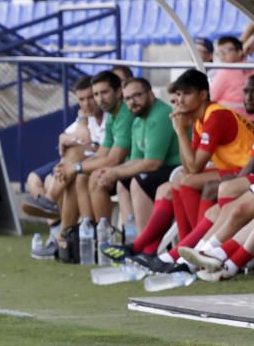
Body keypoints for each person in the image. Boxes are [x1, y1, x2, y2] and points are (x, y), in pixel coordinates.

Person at [104, 69, 254, 271]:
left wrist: (180, 131)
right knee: (175, 183)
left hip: (242, 169)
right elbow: (189, 165)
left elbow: (191, 167)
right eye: (178, 95)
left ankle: (180, 250)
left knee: (189, 183)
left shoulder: (215, 116)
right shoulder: (199, 118)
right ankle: (175, 250)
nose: (180, 100)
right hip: (233, 170)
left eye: (186, 94)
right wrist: (182, 130)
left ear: (202, 95)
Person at [48, 71, 132, 262]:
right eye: (96, 94)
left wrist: (75, 167)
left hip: (138, 168)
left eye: (104, 93)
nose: (99, 99)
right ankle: (86, 233)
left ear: (118, 92)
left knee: (92, 176)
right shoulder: (111, 115)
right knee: (81, 176)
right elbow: (103, 153)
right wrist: (77, 168)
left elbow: (113, 159)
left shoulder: (124, 115)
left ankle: (104, 239)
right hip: (123, 167)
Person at [92, 77, 180, 240]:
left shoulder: (160, 116)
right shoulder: (138, 121)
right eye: (127, 98)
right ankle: (130, 239)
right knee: (121, 183)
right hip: (160, 169)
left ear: (151, 95)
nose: (132, 102)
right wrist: (113, 172)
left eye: (137, 96)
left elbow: (153, 163)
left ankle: (146, 245)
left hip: (177, 170)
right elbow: (136, 159)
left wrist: (116, 172)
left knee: (137, 181)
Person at [22, 76, 107, 226]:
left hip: (96, 163)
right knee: (34, 178)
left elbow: (86, 139)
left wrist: (80, 126)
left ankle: (51, 203)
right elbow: (64, 136)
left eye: (90, 97)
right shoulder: (86, 115)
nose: (86, 103)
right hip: (77, 161)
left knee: (69, 170)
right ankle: (56, 229)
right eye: (81, 99)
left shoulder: (108, 116)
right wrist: (68, 137)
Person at [210, 35, 253, 117]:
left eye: (226, 51)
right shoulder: (251, 66)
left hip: (232, 119)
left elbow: (212, 96)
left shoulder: (225, 72)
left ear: (240, 52)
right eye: (219, 52)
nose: (222, 55)